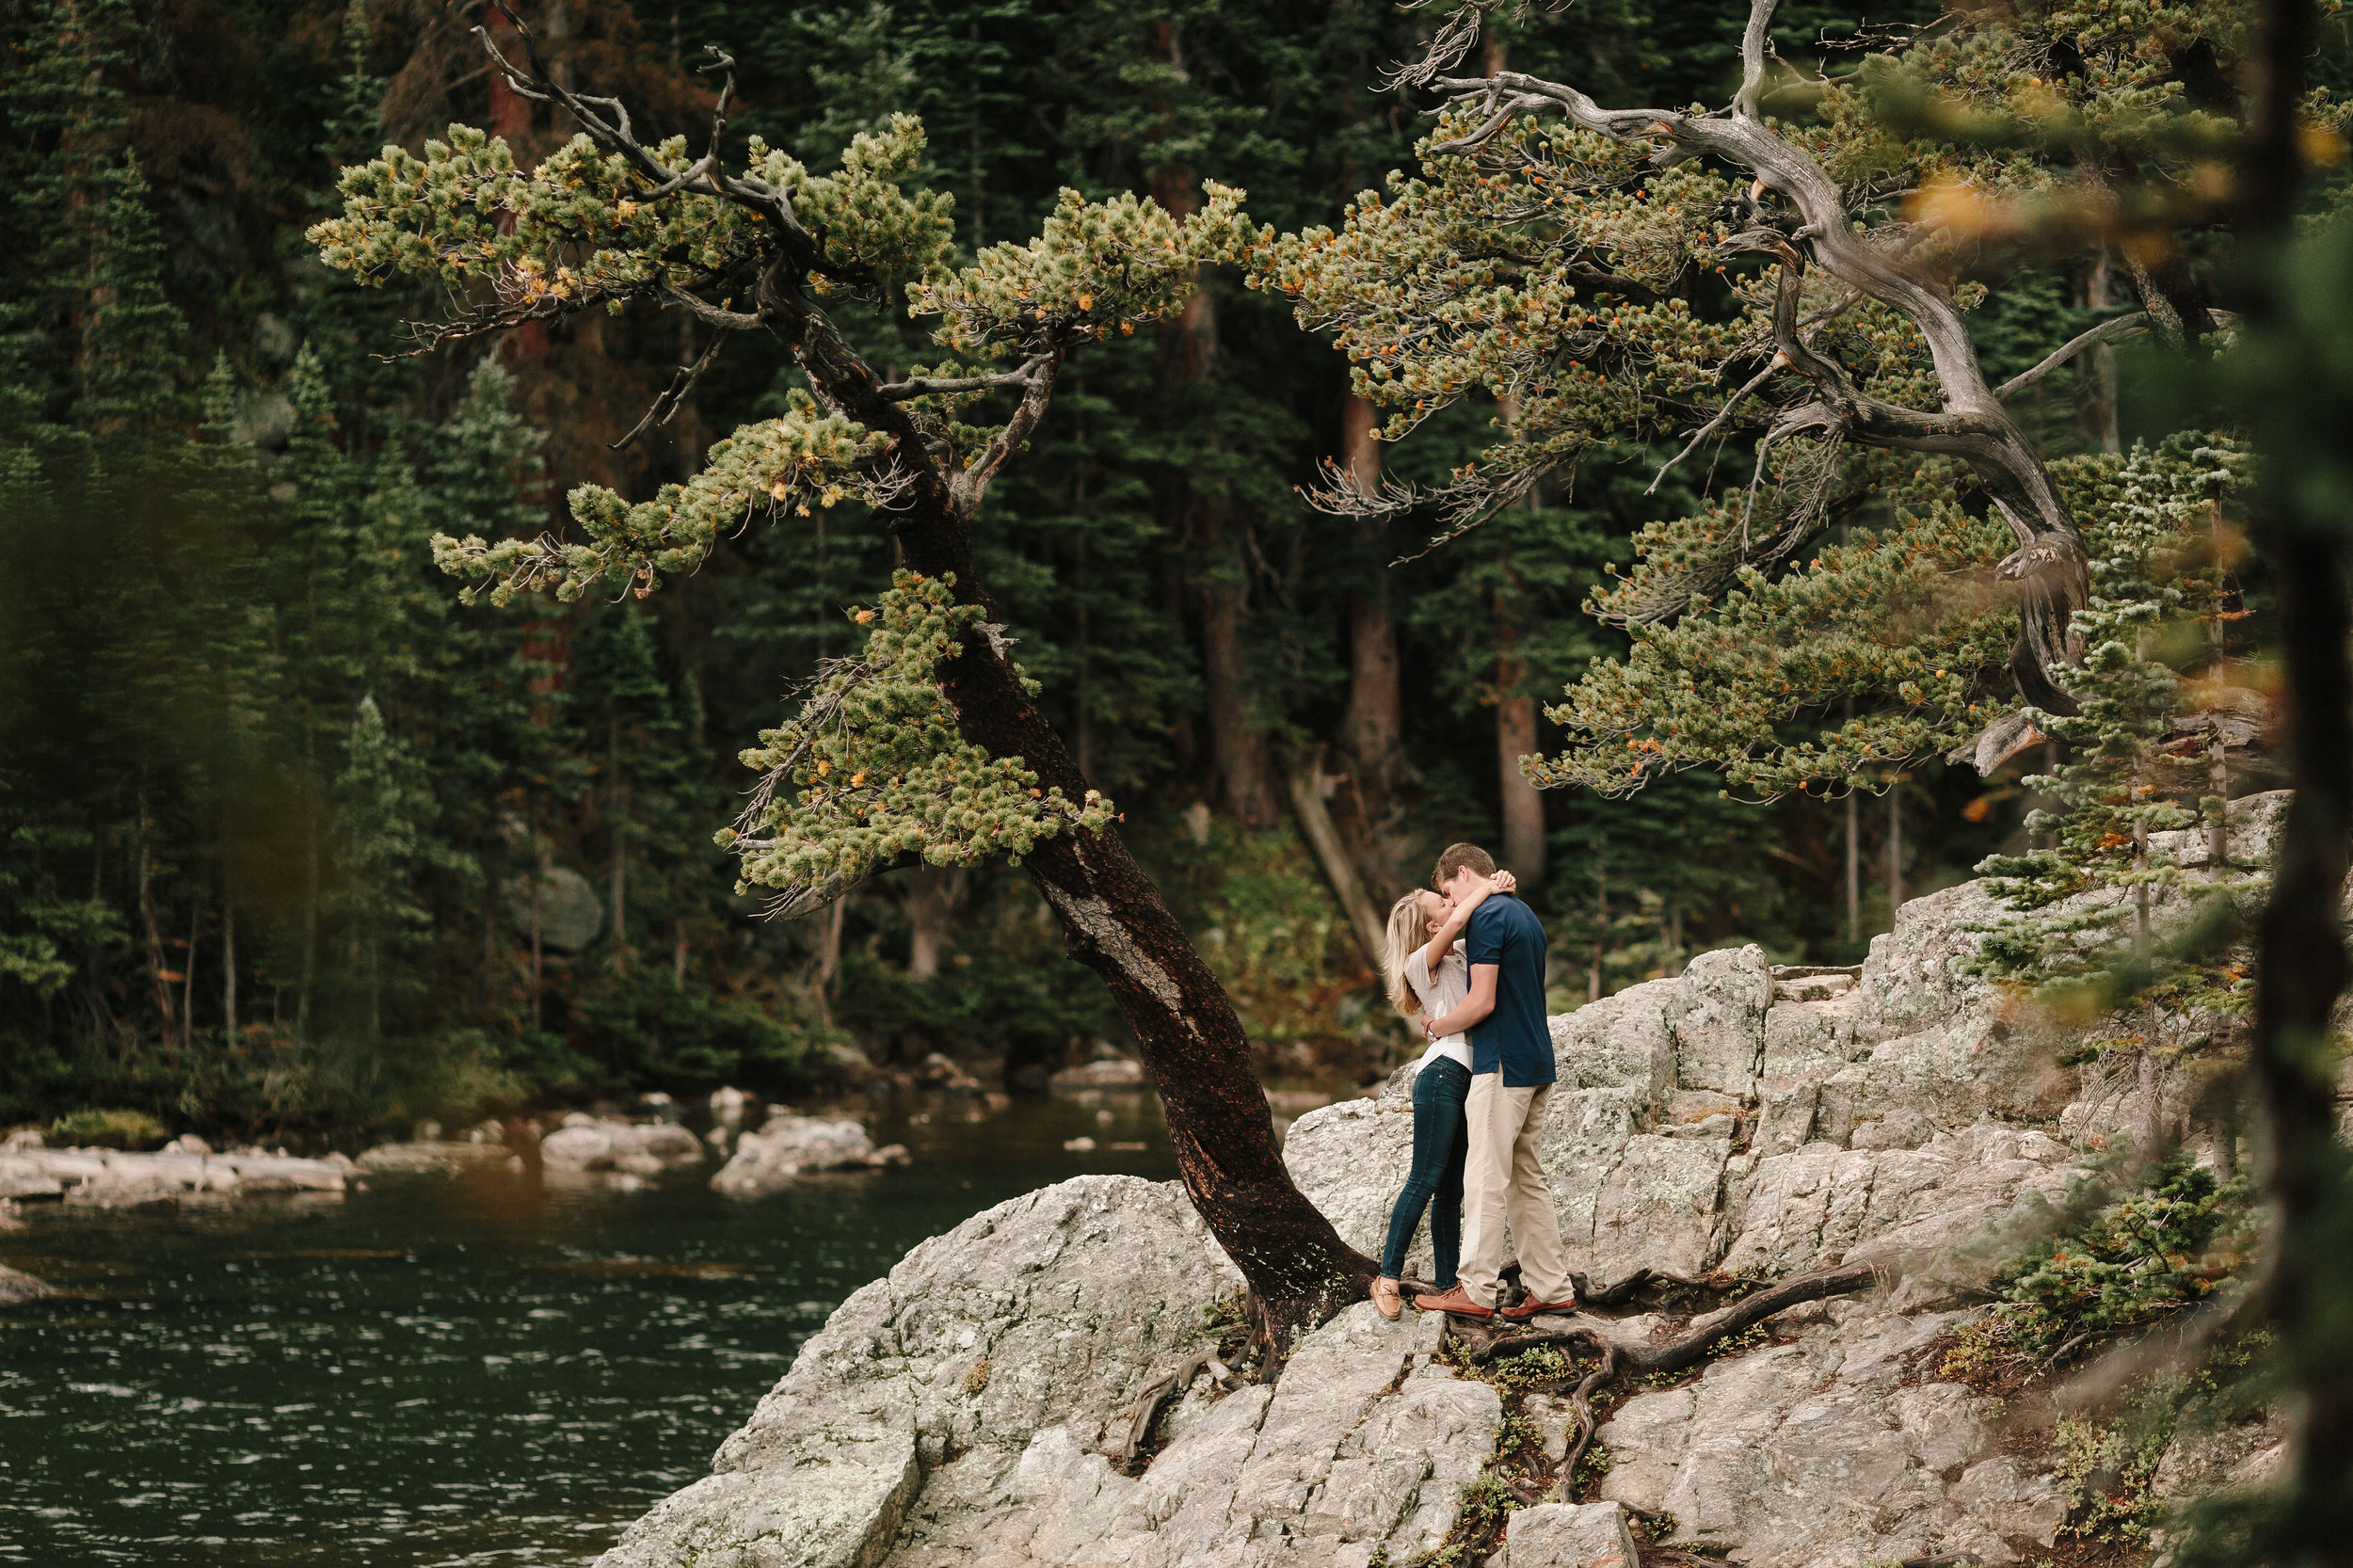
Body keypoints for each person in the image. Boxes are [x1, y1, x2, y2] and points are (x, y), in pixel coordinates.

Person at [1411, 842, 1577, 1321]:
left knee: (1484, 1175)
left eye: (1448, 891)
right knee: (1527, 1179)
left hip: (1501, 1062)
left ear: (1462, 874)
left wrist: (1435, 1027)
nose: (1450, 901)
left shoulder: (1486, 919)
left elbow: (1482, 1002)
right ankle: (1551, 1287)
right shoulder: (1523, 912)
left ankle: (1476, 1290)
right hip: (1537, 1059)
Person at [1369, 868, 1516, 1320]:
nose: (1453, 903)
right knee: (1426, 1177)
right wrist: (1486, 887)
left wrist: (1496, 891)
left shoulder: (1463, 952)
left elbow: (1487, 933)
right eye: (1443, 903)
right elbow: (1458, 921)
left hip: (1475, 1075)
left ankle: (1449, 1284)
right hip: (1443, 1074)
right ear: (1432, 927)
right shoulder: (1421, 960)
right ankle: (1387, 1276)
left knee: (1453, 1189)